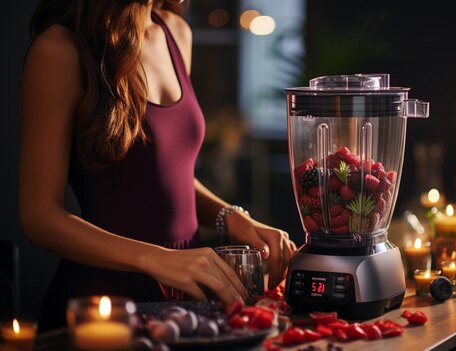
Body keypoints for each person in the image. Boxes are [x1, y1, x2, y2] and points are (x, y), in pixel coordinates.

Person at [19, 0, 296, 331]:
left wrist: (231, 218)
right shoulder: (59, 49)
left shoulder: (176, 32)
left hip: (192, 292)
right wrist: (157, 259)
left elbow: (165, 176)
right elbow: (38, 217)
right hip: (107, 304)